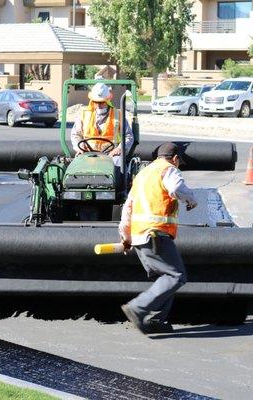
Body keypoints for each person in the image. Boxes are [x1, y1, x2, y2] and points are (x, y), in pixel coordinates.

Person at [118, 142, 198, 334]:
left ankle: (155, 321)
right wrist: (191, 200)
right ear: (176, 158)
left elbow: (127, 208)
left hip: (140, 238)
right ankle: (138, 307)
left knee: (166, 278)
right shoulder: (168, 169)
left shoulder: (142, 175)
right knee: (175, 276)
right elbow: (177, 187)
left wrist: (126, 238)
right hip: (155, 234)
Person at [70, 82, 133, 166]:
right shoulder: (84, 115)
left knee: (119, 162)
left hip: (111, 154)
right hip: (87, 153)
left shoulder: (118, 115)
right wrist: (79, 147)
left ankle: (119, 179)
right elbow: (76, 135)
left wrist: (119, 148)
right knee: (77, 164)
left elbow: (128, 136)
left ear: (107, 100)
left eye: (101, 102)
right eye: (96, 102)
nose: (98, 105)